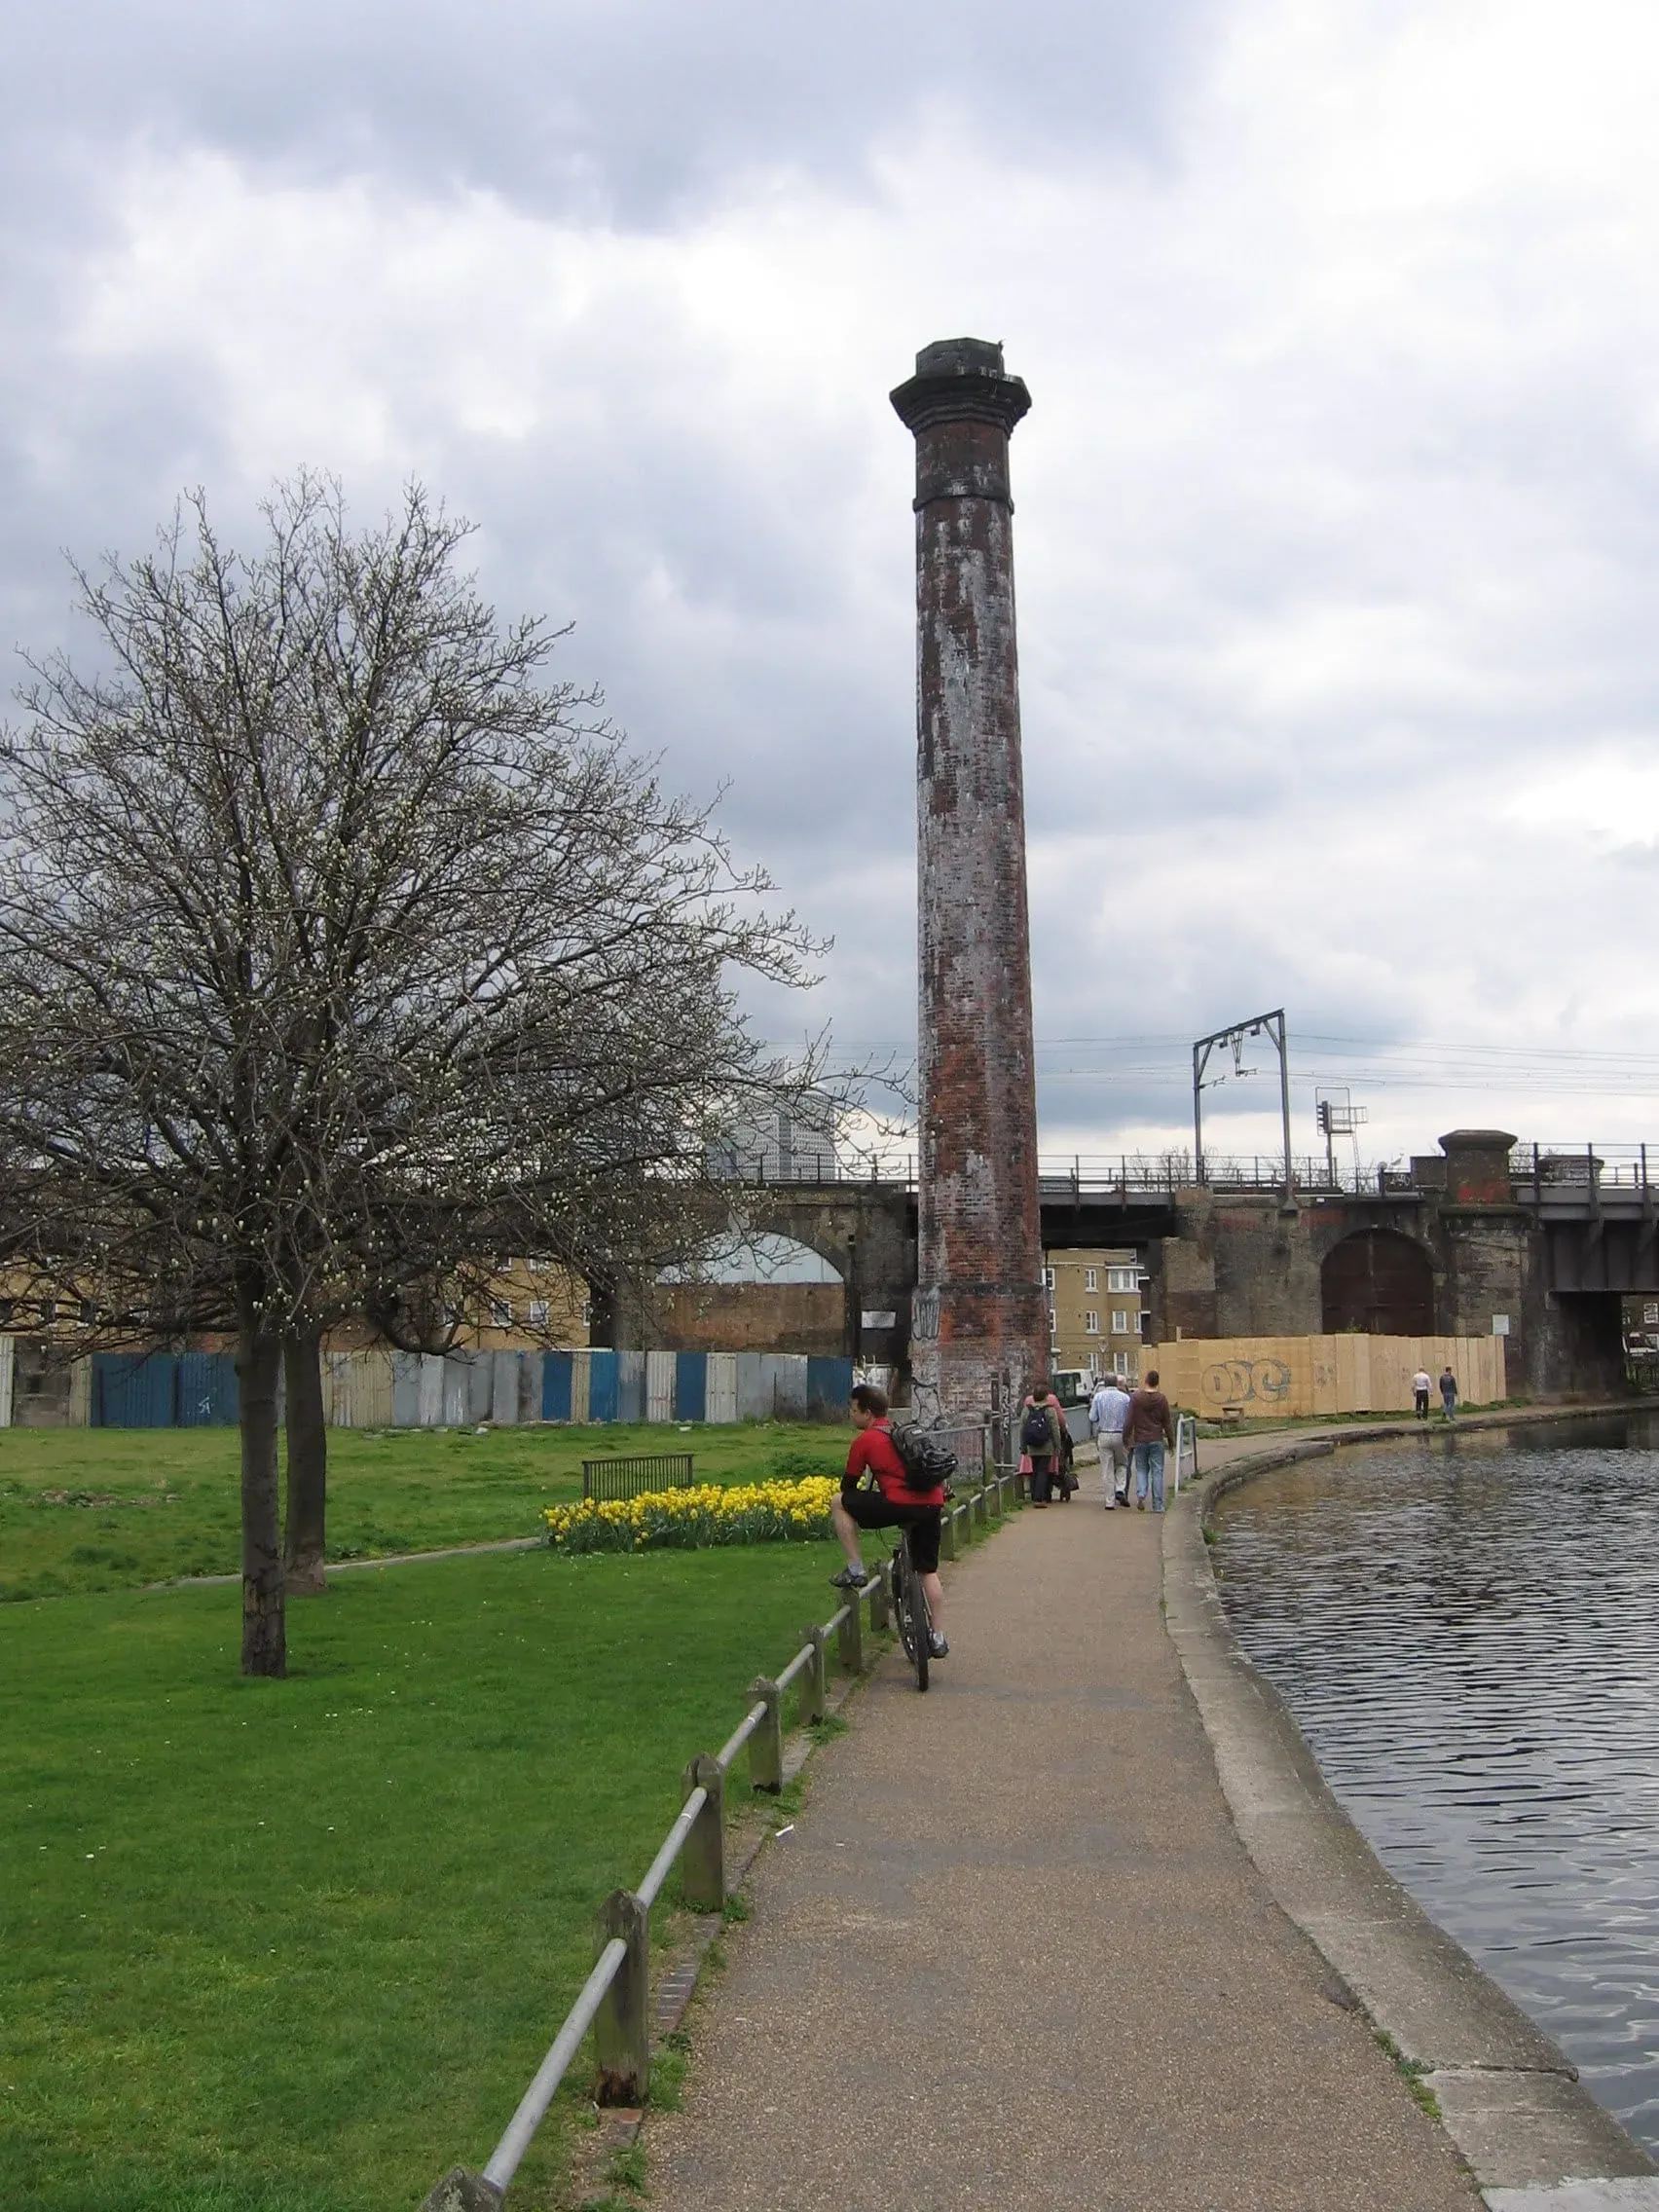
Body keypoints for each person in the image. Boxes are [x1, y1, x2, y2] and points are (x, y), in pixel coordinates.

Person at [830, 1382, 948, 1659]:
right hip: (932, 1504)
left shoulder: (865, 1440)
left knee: (838, 1502)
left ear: (867, 1413)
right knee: (928, 1571)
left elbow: (848, 1485)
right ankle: (939, 1637)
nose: (851, 1415)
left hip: (897, 1505)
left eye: (853, 1410)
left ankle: (855, 1569)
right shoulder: (905, 1431)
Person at [1124, 1369, 1178, 1513]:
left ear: (1146, 1381)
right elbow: (1167, 1423)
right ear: (1157, 1383)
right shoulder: (1162, 1399)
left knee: (1141, 1469)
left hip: (1140, 1440)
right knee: (1157, 1471)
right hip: (1156, 1439)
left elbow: (1129, 1421)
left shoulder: (1135, 1398)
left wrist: (1126, 1440)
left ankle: (1141, 1494)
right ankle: (1158, 1505)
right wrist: (1172, 1443)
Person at [1089, 1372, 1132, 1507]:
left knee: (1107, 1468)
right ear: (1115, 1383)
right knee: (1122, 1464)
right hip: (1120, 1434)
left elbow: (1092, 1417)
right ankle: (1120, 1488)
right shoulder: (1125, 1398)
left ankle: (1109, 1501)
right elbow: (1129, 1418)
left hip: (1104, 1434)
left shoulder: (1098, 1397)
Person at [1019, 1382, 1066, 1506]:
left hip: (1032, 1445)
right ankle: (1040, 1498)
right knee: (1042, 1470)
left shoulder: (1027, 1409)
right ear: (1046, 1396)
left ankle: (1034, 1495)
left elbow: (1022, 1428)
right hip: (1046, 1445)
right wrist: (1058, 1446)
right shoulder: (1050, 1410)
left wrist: (1023, 1446)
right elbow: (1055, 1429)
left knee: (1035, 1469)